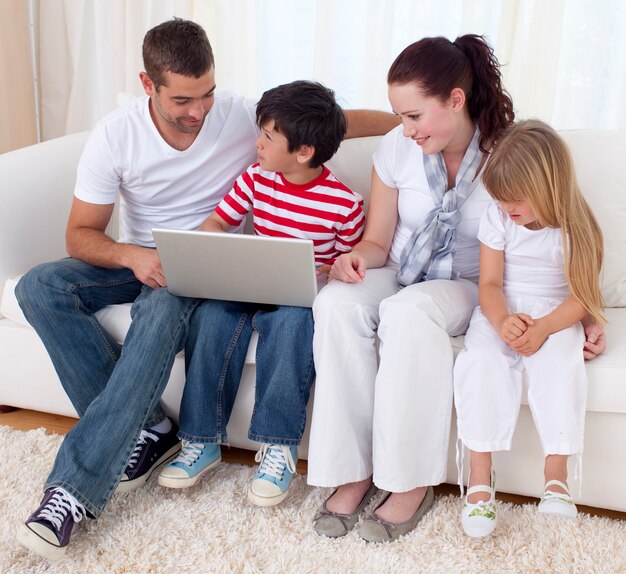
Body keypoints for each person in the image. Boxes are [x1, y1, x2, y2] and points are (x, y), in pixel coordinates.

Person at [15, 19, 397, 561]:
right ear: (148, 86)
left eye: (208, 94)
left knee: (163, 308)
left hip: (209, 270)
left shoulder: (243, 116)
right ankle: (147, 431)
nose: (199, 110)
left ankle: (71, 493)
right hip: (143, 259)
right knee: (39, 287)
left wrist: (413, 124)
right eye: (183, 99)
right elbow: (80, 235)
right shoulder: (116, 135)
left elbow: (334, 124)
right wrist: (135, 256)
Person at [307, 35, 605, 544]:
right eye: (400, 116)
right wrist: (358, 257)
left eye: (415, 116)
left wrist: (586, 311)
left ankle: (408, 483)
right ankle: (352, 470)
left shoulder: (505, 153)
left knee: (408, 312)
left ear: (456, 100)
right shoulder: (396, 149)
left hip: (468, 285)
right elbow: (379, 240)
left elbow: (552, 230)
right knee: (335, 304)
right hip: (400, 269)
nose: (407, 129)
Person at [157, 80, 365, 508]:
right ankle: (200, 441)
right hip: (247, 283)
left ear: (304, 152)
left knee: (291, 325)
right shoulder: (255, 179)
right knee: (211, 317)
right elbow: (216, 224)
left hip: (296, 297)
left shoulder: (344, 204)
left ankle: (277, 447)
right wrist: (216, 246)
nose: (258, 143)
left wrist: (335, 270)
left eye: (269, 137)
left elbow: (352, 261)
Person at [453, 120, 604, 538]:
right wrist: (502, 321)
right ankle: (481, 481)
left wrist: (545, 328)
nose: (507, 209)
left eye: (515, 201)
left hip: (557, 314)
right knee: (481, 360)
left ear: (547, 188)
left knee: (559, 365)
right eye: (500, 201)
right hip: (502, 309)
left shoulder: (578, 228)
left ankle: (556, 480)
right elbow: (488, 284)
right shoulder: (498, 218)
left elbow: (582, 296)